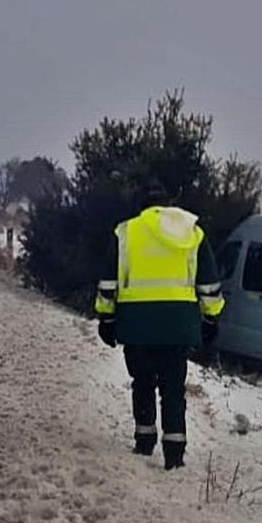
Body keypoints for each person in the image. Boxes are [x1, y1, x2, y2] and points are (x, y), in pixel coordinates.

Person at [94, 189, 225, 470]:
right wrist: (211, 318)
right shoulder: (193, 233)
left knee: (142, 382)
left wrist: (106, 318)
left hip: (137, 324)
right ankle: (174, 453)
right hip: (178, 326)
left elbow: (108, 281)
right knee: (173, 389)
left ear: (144, 209)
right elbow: (209, 285)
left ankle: (144, 440)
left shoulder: (127, 233)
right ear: (169, 208)